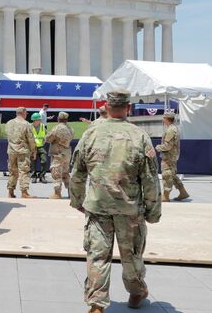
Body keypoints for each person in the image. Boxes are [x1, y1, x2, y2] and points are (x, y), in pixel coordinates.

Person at [69, 90, 161, 313]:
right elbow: (150, 179)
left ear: (107, 107)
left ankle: (97, 305)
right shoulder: (139, 136)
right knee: (132, 255)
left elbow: (77, 173)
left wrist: (77, 200)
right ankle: (137, 293)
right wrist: (153, 211)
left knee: (98, 256)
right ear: (127, 108)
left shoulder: (90, 134)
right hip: (129, 209)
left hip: (98, 207)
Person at [156, 112, 189, 202]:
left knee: (166, 174)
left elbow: (167, 146)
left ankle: (166, 196)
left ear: (167, 119)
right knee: (172, 175)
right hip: (172, 156)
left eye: (164, 118)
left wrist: (158, 147)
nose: (162, 119)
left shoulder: (170, 130)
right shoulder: (174, 128)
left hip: (168, 157)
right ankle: (183, 192)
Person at [6, 107, 37, 198]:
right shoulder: (26, 124)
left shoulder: (9, 123)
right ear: (23, 113)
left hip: (11, 150)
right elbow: (31, 139)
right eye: (26, 112)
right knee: (24, 171)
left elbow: (8, 137)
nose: (26, 114)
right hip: (22, 151)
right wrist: (33, 151)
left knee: (12, 171)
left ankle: (10, 192)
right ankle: (24, 192)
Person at [45, 111, 74, 199]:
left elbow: (49, 138)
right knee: (65, 173)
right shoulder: (70, 128)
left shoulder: (56, 128)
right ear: (66, 120)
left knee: (56, 172)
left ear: (58, 119)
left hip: (58, 153)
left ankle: (57, 193)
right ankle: (71, 193)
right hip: (67, 153)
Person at [30, 112, 48, 184]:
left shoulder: (43, 126)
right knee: (33, 162)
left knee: (44, 160)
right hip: (33, 147)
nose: (40, 120)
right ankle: (33, 176)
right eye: (39, 119)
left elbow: (46, 135)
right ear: (34, 120)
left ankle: (41, 176)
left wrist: (45, 140)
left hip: (41, 146)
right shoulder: (30, 127)